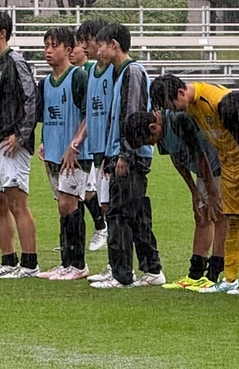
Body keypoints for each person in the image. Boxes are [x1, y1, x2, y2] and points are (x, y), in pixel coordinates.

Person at [151, 75, 239, 295]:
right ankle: (223, 277)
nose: (173, 110)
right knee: (227, 218)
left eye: (172, 105)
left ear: (180, 93)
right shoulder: (189, 109)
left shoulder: (215, 99)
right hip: (226, 163)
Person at [92, 23, 164, 289]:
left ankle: (122, 275)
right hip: (124, 154)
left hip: (129, 156)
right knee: (135, 214)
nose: (98, 51)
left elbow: (132, 116)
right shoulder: (119, 72)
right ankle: (151, 269)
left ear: (113, 44)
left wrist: (125, 153)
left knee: (120, 215)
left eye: (101, 45)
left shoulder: (132, 72)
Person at [124, 110, 225, 291]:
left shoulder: (178, 121)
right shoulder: (160, 132)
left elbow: (201, 155)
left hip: (218, 166)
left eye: (149, 140)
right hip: (204, 172)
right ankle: (196, 273)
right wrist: (193, 190)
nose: (152, 144)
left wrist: (212, 192)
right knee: (201, 216)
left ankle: (214, 274)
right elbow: (176, 157)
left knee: (218, 215)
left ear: (153, 127)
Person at [0, 10, 40, 279]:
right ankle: (8, 260)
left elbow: (31, 98)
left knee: (17, 203)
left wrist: (22, 135)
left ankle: (30, 264)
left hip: (11, 142)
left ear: (2, 33)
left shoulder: (15, 61)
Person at [36, 27, 92, 281]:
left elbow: (90, 115)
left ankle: (78, 264)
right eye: (46, 45)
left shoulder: (78, 78)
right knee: (62, 206)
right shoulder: (45, 82)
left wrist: (75, 145)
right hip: (54, 154)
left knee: (70, 203)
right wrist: (44, 143)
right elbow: (47, 117)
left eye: (54, 45)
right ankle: (66, 263)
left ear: (69, 50)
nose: (48, 50)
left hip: (75, 155)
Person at [70, 23, 108, 252]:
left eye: (81, 44)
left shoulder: (93, 72)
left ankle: (100, 227)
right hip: (82, 144)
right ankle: (79, 238)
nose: (79, 49)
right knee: (74, 193)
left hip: (94, 147)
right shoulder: (78, 75)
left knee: (89, 192)